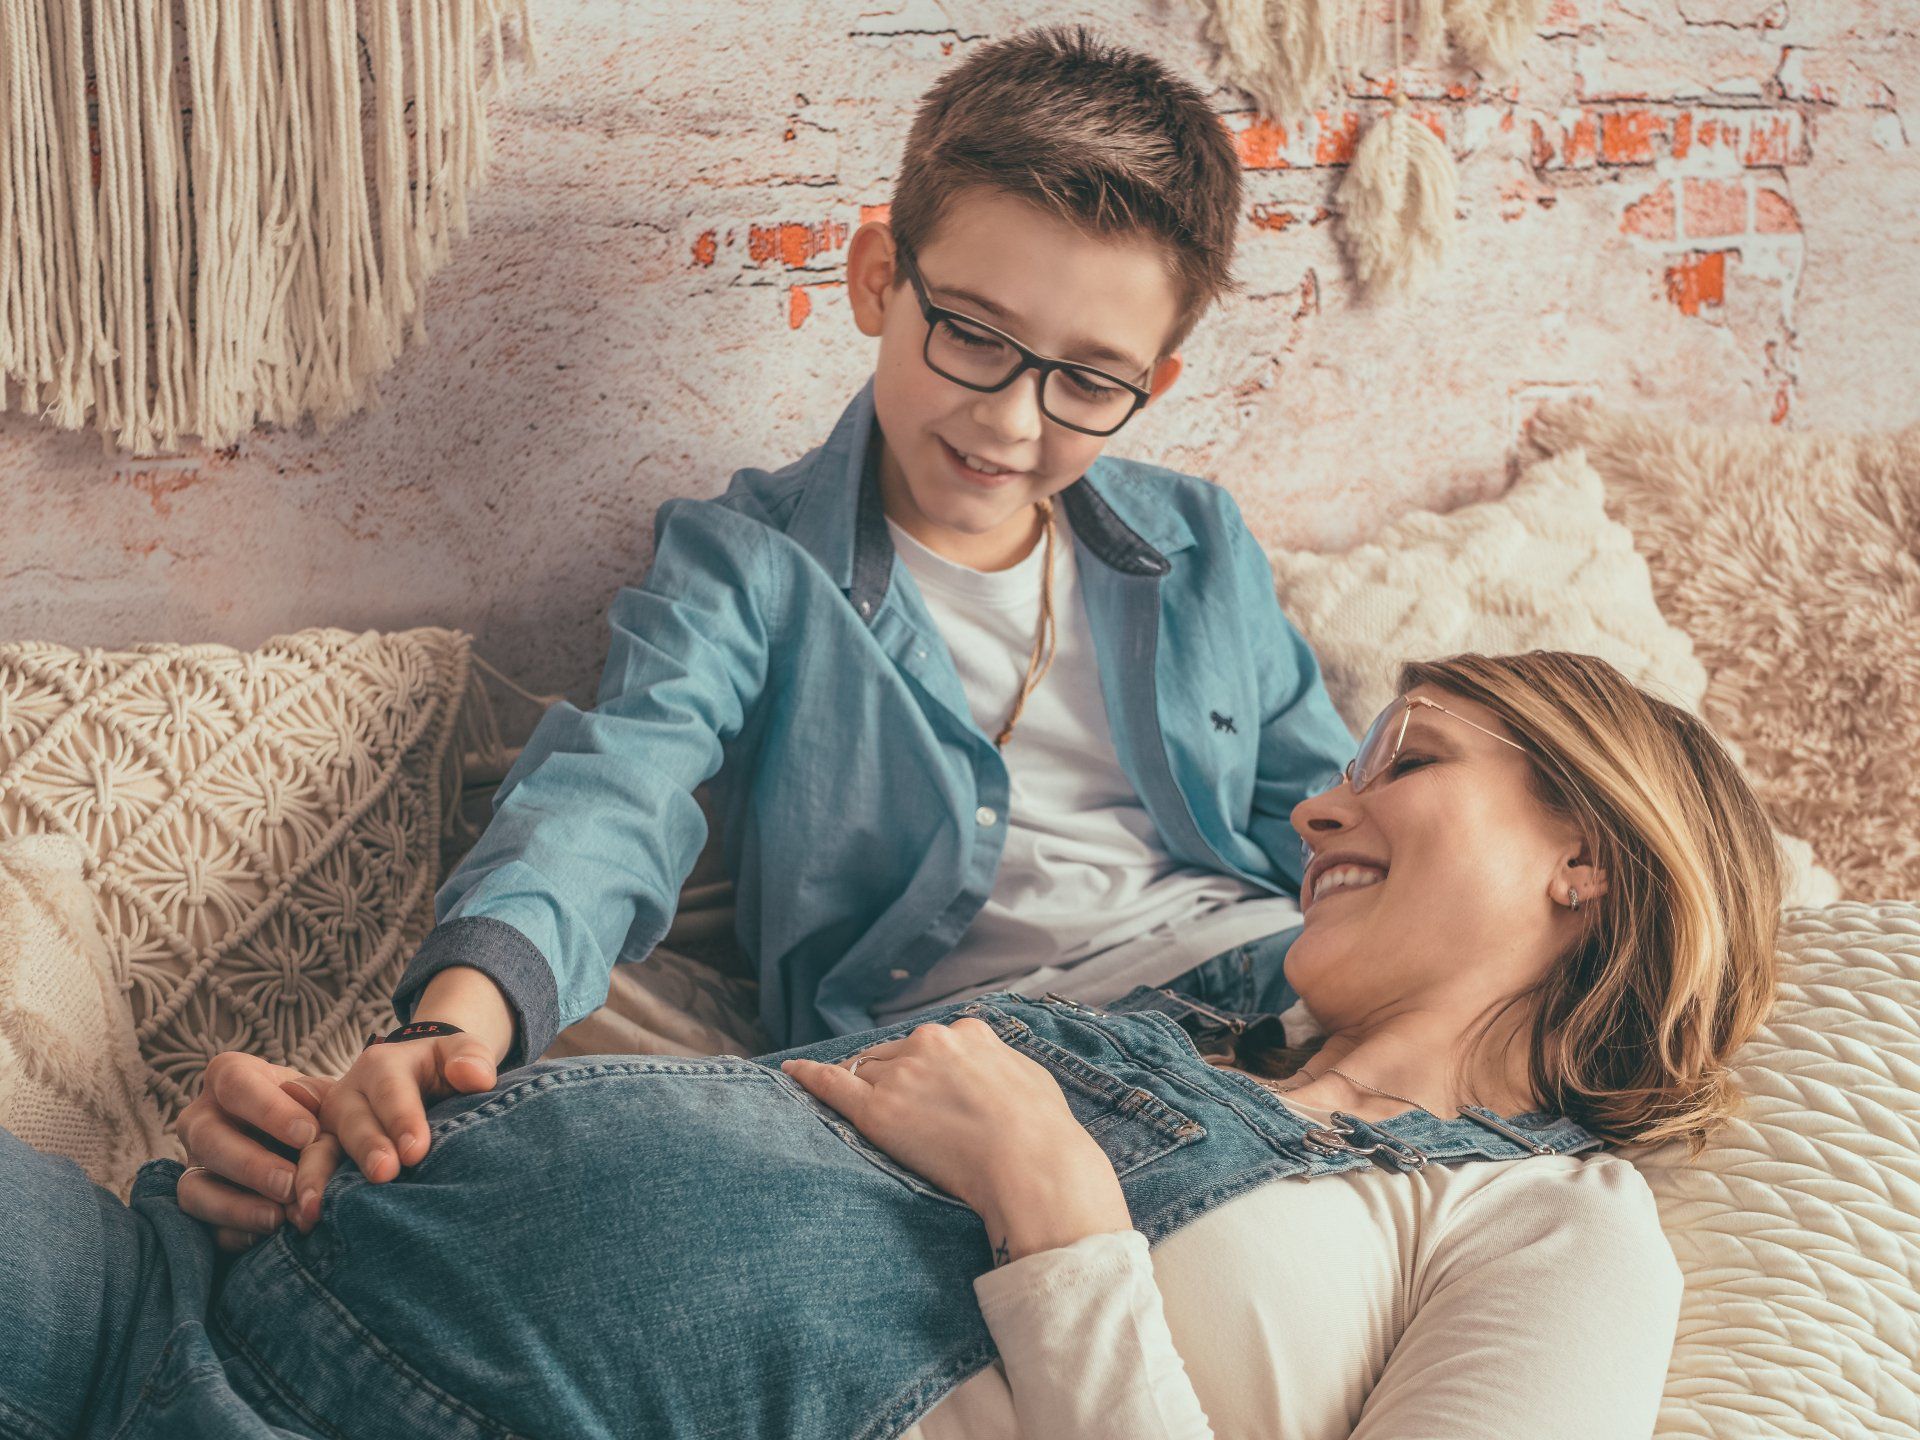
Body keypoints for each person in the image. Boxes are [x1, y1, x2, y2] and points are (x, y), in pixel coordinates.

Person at [174, 23, 1360, 1251]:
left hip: (1270, 976)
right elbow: (612, 796)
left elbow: (1336, 818)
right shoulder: (747, 564)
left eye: (1089, 381)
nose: (1013, 421)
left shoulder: (1198, 541)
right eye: (972, 333)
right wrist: (452, 1025)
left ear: (1151, 386)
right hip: (995, 1065)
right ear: (877, 279)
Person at [0, 652, 1781, 1439]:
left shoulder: (1555, 1231)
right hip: (187, 1291)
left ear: (1589, 855)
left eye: (1412, 760)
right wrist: (362, 1122)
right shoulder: (1180, 1023)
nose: (1319, 808)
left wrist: (1062, 1215)